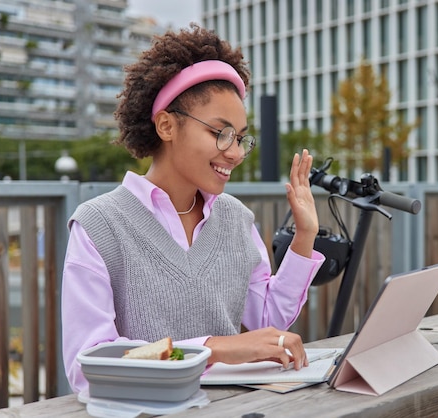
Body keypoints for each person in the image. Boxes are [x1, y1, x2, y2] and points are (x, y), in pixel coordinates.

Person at [60, 25, 325, 394]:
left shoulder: (235, 218)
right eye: (220, 133)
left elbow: (267, 319)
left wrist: (305, 236)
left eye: (240, 136)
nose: (234, 152)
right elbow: (88, 365)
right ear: (167, 125)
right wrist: (213, 349)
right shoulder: (99, 225)